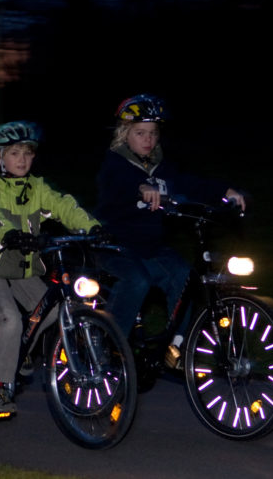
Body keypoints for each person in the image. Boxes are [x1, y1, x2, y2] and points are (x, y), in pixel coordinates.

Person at [94, 93, 245, 365]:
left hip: (152, 248)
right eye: (140, 133)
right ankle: (107, 344)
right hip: (116, 246)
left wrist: (225, 191)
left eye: (153, 133)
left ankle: (175, 346)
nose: (148, 139)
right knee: (136, 281)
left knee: (185, 277)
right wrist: (140, 188)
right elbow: (120, 183)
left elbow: (189, 184)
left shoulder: (162, 167)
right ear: (124, 134)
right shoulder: (114, 164)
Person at [0, 121, 100, 415]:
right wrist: (8, 232)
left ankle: (20, 351)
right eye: (14, 153)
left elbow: (64, 205)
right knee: (11, 318)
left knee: (51, 308)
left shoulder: (37, 187)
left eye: (27, 153)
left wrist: (92, 227)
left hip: (23, 268)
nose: (22, 160)